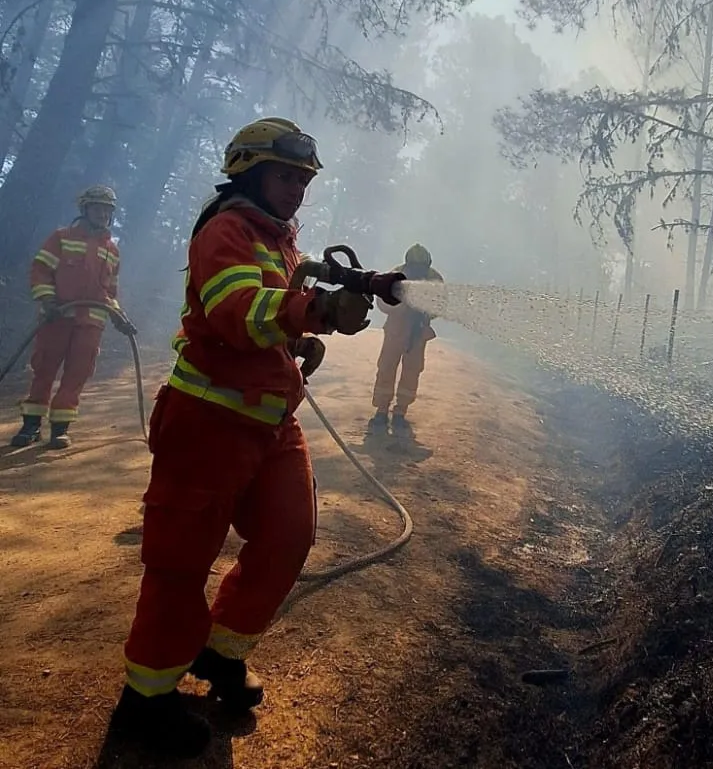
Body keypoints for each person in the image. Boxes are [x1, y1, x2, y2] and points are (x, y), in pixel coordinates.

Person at [109, 117, 403, 757]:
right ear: (249, 171)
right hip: (207, 422)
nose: (298, 189)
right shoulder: (226, 231)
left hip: (271, 423)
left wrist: (326, 313)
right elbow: (237, 309)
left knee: (290, 535)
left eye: (304, 181)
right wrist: (315, 312)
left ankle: (219, 652)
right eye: (286, 176)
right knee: (180, 562)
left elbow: (282, 291)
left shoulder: (277, 237)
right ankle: (145, 701)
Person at [9, 185, 136, 449]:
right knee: (44, 369)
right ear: (85, 209)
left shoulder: (112, 250)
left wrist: (118, 316)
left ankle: (60, 429)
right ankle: (31, 426)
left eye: (107, 210)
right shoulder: (61, 238)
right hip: (57, 317)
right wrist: (47, 299)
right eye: (97, 208)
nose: (103, 214)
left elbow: (109, 291)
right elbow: (41, 270)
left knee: (77, 373)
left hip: (91, 323)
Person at [369, 243, 443, 437]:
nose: (417, 271)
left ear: (427, 265)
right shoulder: (395, 276)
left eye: (421, 268)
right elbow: (382, 302)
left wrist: (425, 312)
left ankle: (400, 412)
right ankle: (381, 411)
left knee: (412, 371)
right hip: (396, 328)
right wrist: (402, 306)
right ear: (407, 264)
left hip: (418, 331)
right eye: (414, 267)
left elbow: (440, 304)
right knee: (386, 367)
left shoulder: (434, 279)